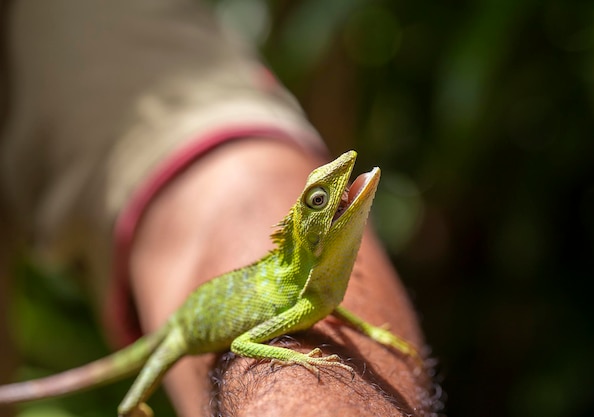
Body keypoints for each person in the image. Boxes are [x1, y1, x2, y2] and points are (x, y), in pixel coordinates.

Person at [0, 1, 435, 416]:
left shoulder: (317, 287)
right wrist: (298, 359)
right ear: (313, 236)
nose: (343, 173)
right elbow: (246, 343)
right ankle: (129, 406)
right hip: (184, 329)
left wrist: (371, 331)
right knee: (133, 393)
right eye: (318, 201)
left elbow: (323, 297)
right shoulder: (304, 297)